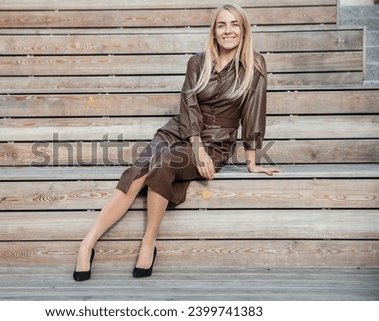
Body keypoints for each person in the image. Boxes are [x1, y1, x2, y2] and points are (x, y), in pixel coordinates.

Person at [73, 3, 281, 282]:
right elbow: (189, 105)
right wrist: (196, 147)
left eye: (234, 24)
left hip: (217, 143)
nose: (228, 30)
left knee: (164, 163)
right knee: (138, 169)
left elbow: (254, 112)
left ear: (243, 30)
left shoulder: (254, 65)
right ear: (214, 31)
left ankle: (149, 242)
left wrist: (252, 162)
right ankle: (87, 244)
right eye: (222, 25)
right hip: (178, 131)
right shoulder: (198, 61)